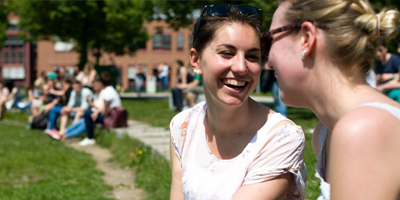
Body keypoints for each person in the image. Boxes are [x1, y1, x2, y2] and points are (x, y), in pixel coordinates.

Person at [265, 0, 400, 199]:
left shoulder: (364, 129)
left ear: (306, 39)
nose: (268, 61)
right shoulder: (325, 133)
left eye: (271, 39)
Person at [170, 4, 306, 199]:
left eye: (252, 56)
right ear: (196, 60)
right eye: (227, 53)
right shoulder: (182, 127)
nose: (241, 67)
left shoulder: (281, 138)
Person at [79, 71, 122, 146]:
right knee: (90, 113)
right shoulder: (111, 89)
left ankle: (90, 137)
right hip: (116, 116)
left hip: (112, 118)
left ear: (101, 83)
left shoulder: (106, 92)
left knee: (88, 114)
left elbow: (104, 110)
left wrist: (97, 112)